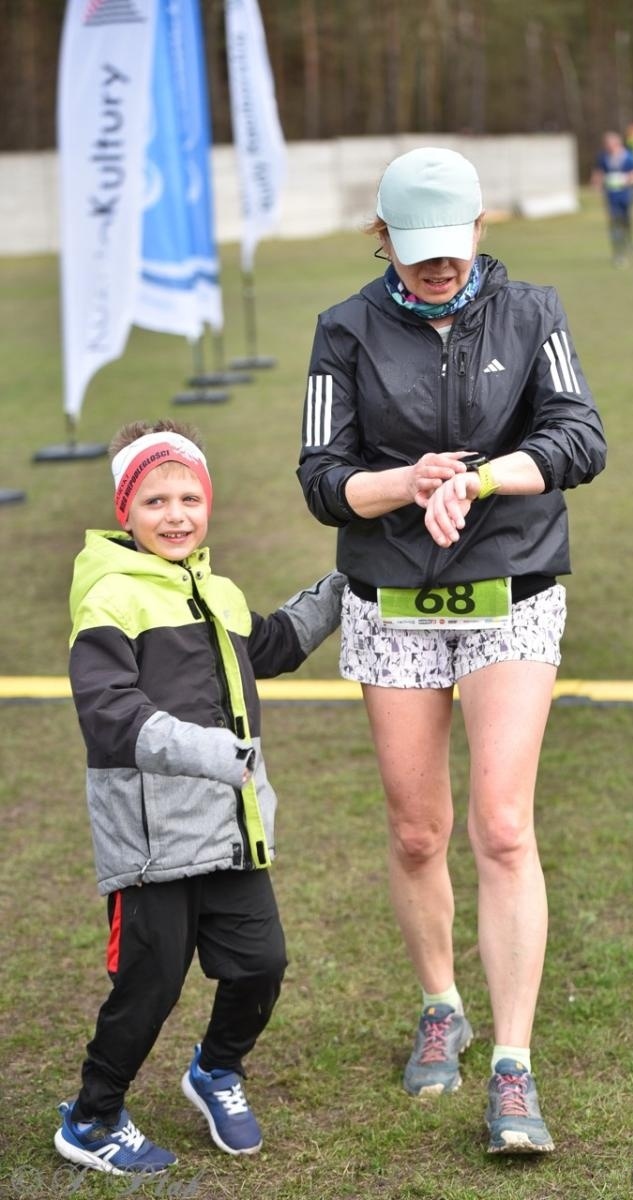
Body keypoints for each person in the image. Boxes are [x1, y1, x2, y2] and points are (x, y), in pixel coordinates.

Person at [297, 146, 606, 1154]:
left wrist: (477, 480)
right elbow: (321, 476)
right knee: (417, 830)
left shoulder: (533, 313)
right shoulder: (343, 329)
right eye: (415, 248)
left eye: (453, 244)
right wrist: (407, 483)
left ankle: (513, 1065)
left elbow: (580, 437)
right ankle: (442, 1003)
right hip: (390, 601)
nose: (438, 265)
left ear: (480, 228)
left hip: (512, 591)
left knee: (503, 828)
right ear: (382, 237)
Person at [55, 419, 345, 1175]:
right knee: (148, 989)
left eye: (189, 498)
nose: (176, 515)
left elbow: (271, 644)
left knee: (261, 965)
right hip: (154, 845)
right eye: (155, 501)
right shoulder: (111, 595)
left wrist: (347, 581)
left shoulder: (215, 589)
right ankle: (92, 1118)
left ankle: (216, 1069)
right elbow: (108, 711)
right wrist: (211, 752)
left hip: (228, 829)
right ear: (125, 510)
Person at [591, 130, 633, 266]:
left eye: (610, 144)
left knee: (626, 222)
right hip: (611, 197)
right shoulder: (603, 157)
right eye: (606, 144)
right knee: (615, 225)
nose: (608, 147)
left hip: (625, 195)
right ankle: (618, 254)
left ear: (617, 143)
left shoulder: (627, 157)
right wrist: (597, 184)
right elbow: (598, 173)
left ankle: (629, 241)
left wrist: (625, 180)